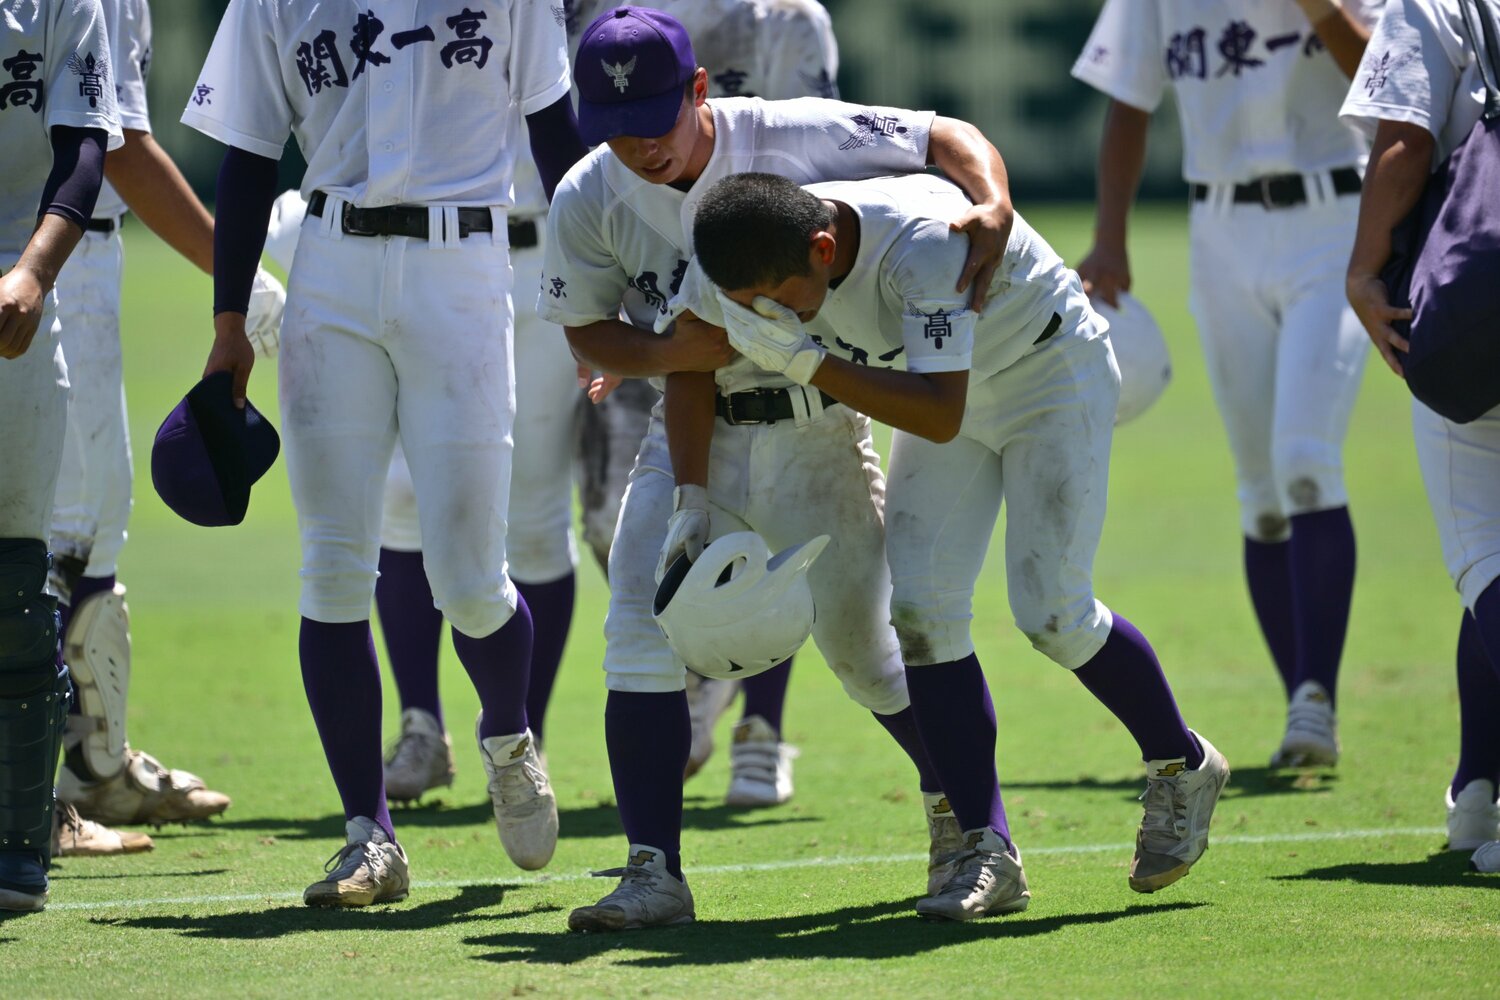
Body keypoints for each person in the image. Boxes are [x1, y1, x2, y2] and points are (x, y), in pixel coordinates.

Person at [541, 5, 1015, 931]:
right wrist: (683, 386)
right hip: (692, 425)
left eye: (653, 125)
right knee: (637, 624)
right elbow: (585, 332)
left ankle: (974, 828)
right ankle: (652, 873)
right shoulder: (589, 192)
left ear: (699, 90)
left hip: (821, 424)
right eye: (611, 129)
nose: (636, 149)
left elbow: (945, 135)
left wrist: (990, 200)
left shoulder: (785, 129)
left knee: (874, 658)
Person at [679, 170, 1230, 919]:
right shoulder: (783, 235)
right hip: (944, 388)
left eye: (773, 296)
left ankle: (1183, 763)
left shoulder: (925, 250)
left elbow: (939, 414)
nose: (768, 314)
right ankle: (985, 848)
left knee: (1052, 613)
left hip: (1047, 375)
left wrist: (805, 361)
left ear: (820, 248)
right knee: (923, 614)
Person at [371, 0, 846, 811]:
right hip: (603, 274)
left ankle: (759, 729)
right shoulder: (586, 16)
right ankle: (545, 723)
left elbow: (822, 163)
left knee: (786, 519)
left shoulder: (783, 19)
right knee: (602, 520)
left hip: (758, 280)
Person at [182, 0, 586, 907]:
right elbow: (246, 154)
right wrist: (228, 322)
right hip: (331, 266)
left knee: (474, 576)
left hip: (467, 270)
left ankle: (510, 740)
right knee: (331, 567)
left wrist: (592, 291)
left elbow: (559, 142)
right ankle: (369, 834)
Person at [1073, 0, 1379, 769]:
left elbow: (1385, 76)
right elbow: (1128, 100)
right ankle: (1300, 698)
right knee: (1261, 493)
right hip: (1220, 232)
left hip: (1335, 216)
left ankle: (1315, 697)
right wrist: (1110, 238)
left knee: (1306, 460)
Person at [51, 0, 284, 841]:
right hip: (55, 261)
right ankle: (45, 790)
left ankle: (94, 771)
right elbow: (118, 148)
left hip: (66, 256)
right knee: (64, 530)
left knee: (89, 521)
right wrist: (236, 268)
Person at [1339, 0, 1500, 872]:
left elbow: (1406, 139)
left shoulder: (1435, 3)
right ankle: (1477, 792)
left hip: (1482, 297)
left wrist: (1365, 267)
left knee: (1486, 556)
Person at [0, 0, 122, 912]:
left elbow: (84, 150)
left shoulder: (61, 7)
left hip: (14, 295)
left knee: (14, 593)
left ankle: (17, 849)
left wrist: (34, 273)